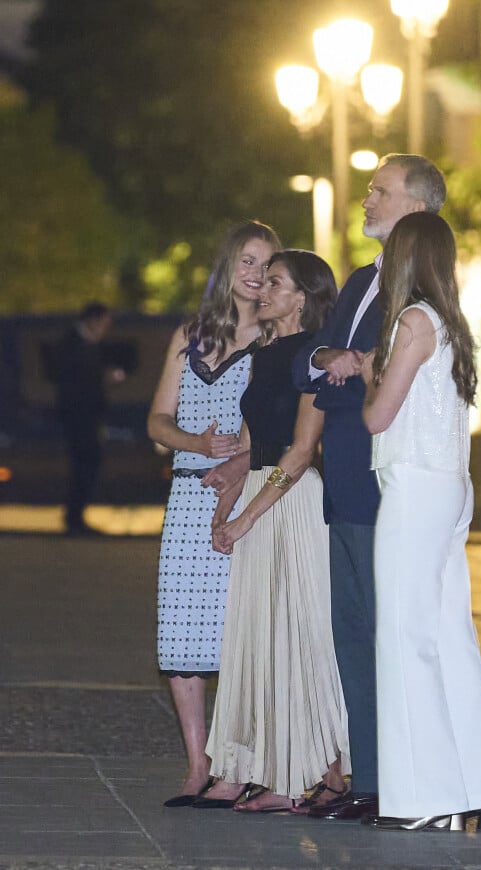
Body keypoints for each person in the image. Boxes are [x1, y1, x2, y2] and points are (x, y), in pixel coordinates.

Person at [291, 154, 446, 820]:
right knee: (353, 634)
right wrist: (337, 358)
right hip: (344, 480)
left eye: (380, 191)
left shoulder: (425, 292)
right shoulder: (359, 281)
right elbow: (306, 364)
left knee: (393, 636)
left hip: (393, 482)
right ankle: (370, 781)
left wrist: (357, 365)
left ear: (415, 206)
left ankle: (408, 779)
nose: (366, 199)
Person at [361, 212, 481, 831]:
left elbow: (376, 418)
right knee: (450, 637)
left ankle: (426, 797)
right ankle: (477, 785)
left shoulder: (411, 322)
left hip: (414, 486)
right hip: (451, 485)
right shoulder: (452, 323)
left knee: (404, 636)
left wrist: (370, 373)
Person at [193, 250, 350, 813]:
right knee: (260, 638)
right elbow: (247, 445)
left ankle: (320, 774)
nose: (261, 289)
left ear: (302, 297)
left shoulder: (308, 356)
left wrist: (245, 516)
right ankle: (267, 771)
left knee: (303, 636)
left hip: (292, 501)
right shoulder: (264, 353)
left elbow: (302, 452)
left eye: (275, 282)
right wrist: (226, 506)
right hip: (262, 493)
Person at [147, 220, 281, 807]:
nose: (256, 275)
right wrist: (195, 444)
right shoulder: (190, 336)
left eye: (267, 266)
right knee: (181, 633)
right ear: (228, 266)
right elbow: (156, 423)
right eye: (248, 262)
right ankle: (197, 763)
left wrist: (242, 453)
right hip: (187, 495)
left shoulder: (277, 342)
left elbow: (291, 430)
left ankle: (241, 761)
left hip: (248, 496)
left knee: (240, 634)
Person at [55, 302, 117, 536]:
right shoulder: (75, 345)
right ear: (93, 320)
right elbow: (77, 384)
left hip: (84, 416)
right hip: (79, 418)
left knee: (85, 464)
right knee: (85, 464)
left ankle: (75, 516)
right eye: (103, 323)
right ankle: (74, 518)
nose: (105, 329)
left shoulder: (84, 344)